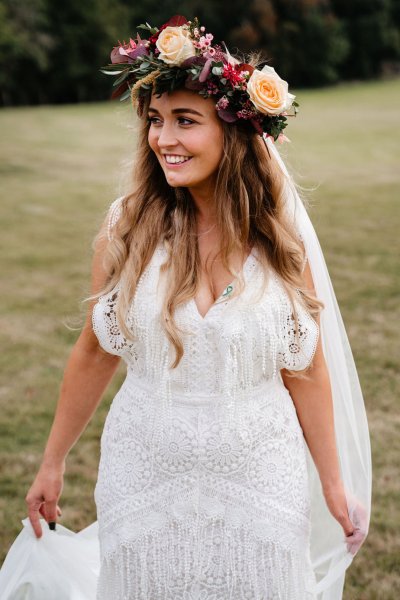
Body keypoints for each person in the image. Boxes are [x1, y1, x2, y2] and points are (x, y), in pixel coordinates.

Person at [0, 14, 371, 600]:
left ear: (235, 133)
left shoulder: (280, 243)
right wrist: (52, 461)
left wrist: (332, 483)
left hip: (260, 479)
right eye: (155, 120)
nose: (163, 139)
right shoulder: (126, 231)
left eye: (186, 121)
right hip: (144, 472)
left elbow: (305, 367)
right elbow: (95, 351)